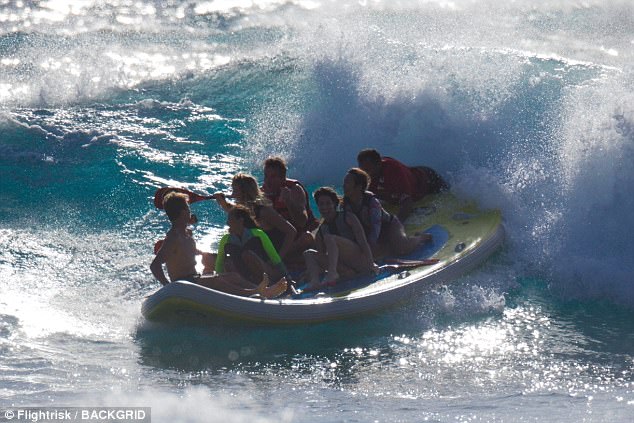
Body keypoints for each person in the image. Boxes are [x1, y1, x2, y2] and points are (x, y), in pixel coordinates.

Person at [150, 192, 287, 299]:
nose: (190, 211)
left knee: (234, 276)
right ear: (183, 212)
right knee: (217, 281)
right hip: (183, 283)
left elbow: (184, 252)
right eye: (188, 208)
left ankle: (263, 289)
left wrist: (201, 252)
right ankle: (255, 293)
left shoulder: (186, 233)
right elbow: (155, 265)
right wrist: (168, 286)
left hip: (194, 279)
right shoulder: (174, 237)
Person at [343, 168, 430, 258]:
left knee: (402, 249)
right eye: (344, 182)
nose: (344, 186)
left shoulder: (371, 202)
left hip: (390, 227)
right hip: (373, 234)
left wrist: (370, 245)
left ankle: (420, 237)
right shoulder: (346, 205)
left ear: (359, 186)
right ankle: (387, 248)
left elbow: (376, 225)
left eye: (347, 183)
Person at [303, 187, 378, 290]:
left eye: (328, 203)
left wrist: (371, 263)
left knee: (330, 238)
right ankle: (315, 282)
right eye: (321, 204)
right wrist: (309, 273)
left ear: (335, 204)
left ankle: (332, 273)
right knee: (308, 253)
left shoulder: (348, 217)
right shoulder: (321, 231)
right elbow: (321, 257)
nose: (324, 207)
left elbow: (363, 242)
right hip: (345, 270)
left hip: (359, 262)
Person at [214, 173, 297, 260]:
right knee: (209, 258)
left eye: (235, 190)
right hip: (255, 254)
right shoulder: (242, 210)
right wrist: (222, 201)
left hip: (270, 256)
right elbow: (231, 209)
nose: (232, 194)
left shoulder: (264, 211)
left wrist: (278, 259)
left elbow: (291, 231)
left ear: (244, 191)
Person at [357, 148, 449, 222]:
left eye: (368, 170)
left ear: (378, 164)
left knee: (449, 193)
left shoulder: (393, 170)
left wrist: (396, 226)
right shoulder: (365, 175)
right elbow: (360, 198)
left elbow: (407, 203)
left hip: (428, 180)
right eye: (362, 170)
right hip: (412, 179)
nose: (365, 174)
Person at [215, 205, 292, 287]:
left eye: (230, 220)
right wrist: (217, 279)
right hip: (245, 276)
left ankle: (268, 284)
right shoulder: (226, 239)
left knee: (247, 255)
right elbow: (219, 263)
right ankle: (246, 285)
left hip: (266, 273)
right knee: (227, 262)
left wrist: (287, 277)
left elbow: (274, 257)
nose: (227, 223)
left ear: (240, 220)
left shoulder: (257, 234)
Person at [262, 156, 319, 234]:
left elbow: (302, 222)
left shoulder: (295, 189)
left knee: (306, 237)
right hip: (281, 235)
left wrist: (288, 201)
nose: (268, 181)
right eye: (266, 176)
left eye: (273, 177)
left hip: (303, 233)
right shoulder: (262, 192)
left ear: (283, 178)